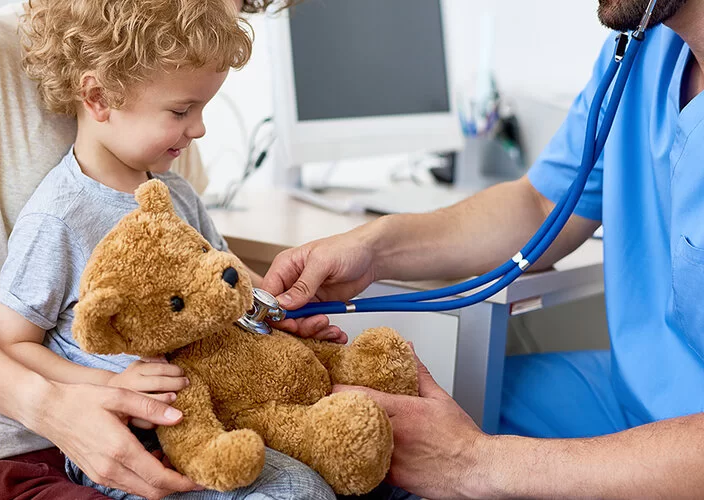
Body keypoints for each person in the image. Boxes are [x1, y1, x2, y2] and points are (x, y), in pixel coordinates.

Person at [263, 0, 704, 497]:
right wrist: (376, 247)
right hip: (630, 396)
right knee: (390, 419)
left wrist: (475, 464)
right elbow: (542, 206)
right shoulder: (641, 51)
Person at [0, 0, 343, 498]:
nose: (198, 129)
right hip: (18, 449)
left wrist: (271, 308)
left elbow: (201, 287)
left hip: (182, 418)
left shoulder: (165, 161)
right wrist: (58, 403)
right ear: (97, 96)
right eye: (183, 111)